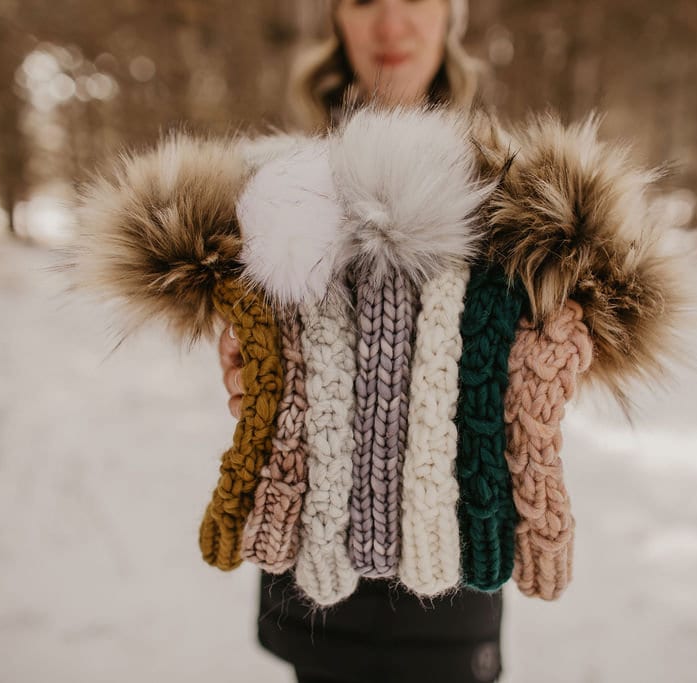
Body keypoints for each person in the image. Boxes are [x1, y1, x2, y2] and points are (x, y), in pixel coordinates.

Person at [216, 1, 504, 682]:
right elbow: (213, 298)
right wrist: (238, 340)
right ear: (338, 20)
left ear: (450, 17)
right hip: (313, 564)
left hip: (454, 569)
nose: (391, 23)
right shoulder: (272, 184)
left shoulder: (506, 186)